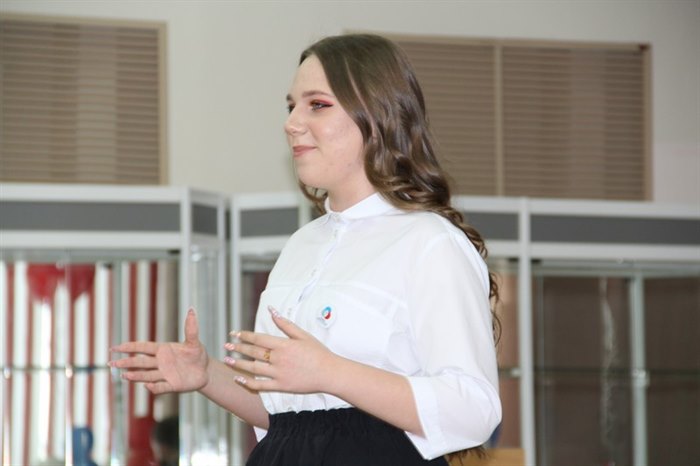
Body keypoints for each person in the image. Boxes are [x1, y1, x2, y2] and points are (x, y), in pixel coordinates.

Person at [111, 33, 501, 466]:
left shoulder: (429, 241)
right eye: (291, 106)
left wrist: (330, 372)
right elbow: (290, 418)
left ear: (378, 116)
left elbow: (474, 409)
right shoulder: (301, 245)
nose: (292, 123)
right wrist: (207, 374)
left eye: (317, 104)